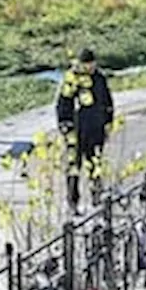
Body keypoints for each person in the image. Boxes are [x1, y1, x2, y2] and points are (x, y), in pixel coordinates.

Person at [55, 47, 114, 214]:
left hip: (96, 130)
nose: (90, 67)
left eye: (92, 64)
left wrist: (108, 122)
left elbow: (107, 102)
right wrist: (65, 125)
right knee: (74, 166)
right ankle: (73, 201)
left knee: (95, 163)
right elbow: (63, 103)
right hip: (77, 131)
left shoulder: (99, 78)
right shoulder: (72, 80)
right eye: (87, 64)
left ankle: (97, 196)